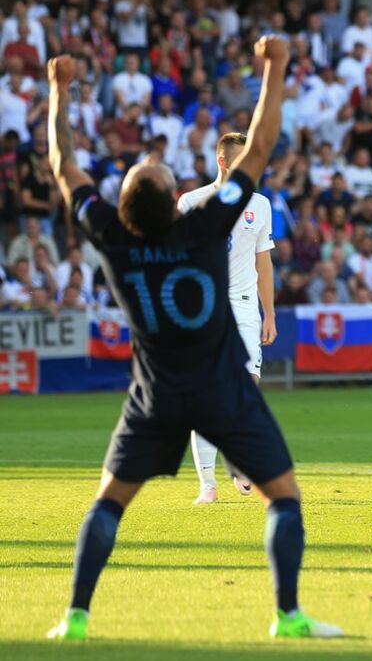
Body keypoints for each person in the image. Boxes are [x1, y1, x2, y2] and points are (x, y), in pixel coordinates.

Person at [44, 38, 341, 640]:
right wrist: (276, 67)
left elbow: (63, 166)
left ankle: (75, 616)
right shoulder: (203, 226)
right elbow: (260, 146)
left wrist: (58, 92)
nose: (163, 168)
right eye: (160, 172)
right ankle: (288, 615)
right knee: (284, 497)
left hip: (153, 397)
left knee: (107, 503)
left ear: (122, 206)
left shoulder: (114, 241)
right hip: (221, 387)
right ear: (168, 200)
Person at [176, 132, 278, 505]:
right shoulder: (191, 202)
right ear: (222, 162)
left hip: (244, 304)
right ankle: (208, 485)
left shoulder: (260, 205)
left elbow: (263, 263)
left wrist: (270, 313)